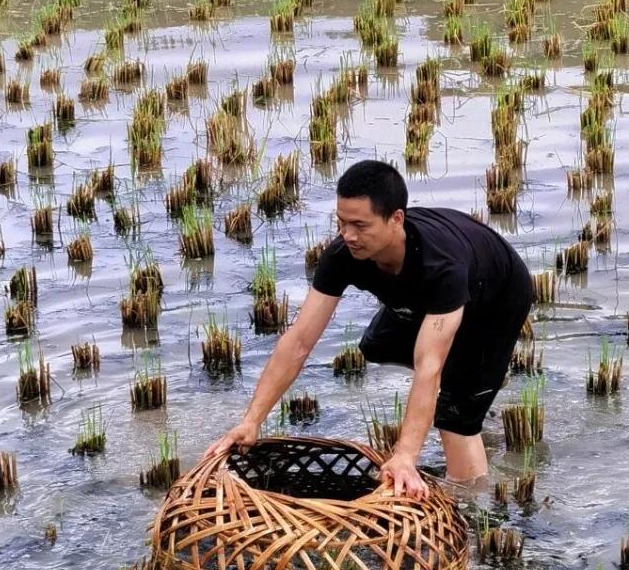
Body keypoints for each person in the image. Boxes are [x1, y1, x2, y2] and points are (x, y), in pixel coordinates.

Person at [203, 158, 534, 498]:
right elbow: (299, 340)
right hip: (429, 297)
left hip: (495, 298)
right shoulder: (342, 254)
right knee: (378, 344)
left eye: (360, 225)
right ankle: (475, 385)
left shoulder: (441, 267)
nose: (348, 235)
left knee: (455, 418)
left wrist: (405, 456)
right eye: (341, 222)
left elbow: (428, 366)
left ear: (396, 219)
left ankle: (471, 504)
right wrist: (252, 420)